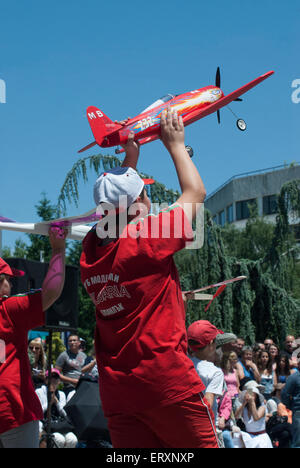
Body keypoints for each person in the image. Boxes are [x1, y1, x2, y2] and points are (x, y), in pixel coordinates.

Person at [80, 108, 219, 448]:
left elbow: (116, 212)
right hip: (166, 383)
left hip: (119, 395)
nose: (151, 200)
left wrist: (130, 161)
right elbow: (195, 194)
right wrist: (175, 146)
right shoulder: (146, 241)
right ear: (137, 206)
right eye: (145, 195)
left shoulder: (90, 253)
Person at [0, 227, 67, 449]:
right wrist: (58, 249)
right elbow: (52, 292)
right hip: (11, 407)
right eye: (9, 280)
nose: (12, 285)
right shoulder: (8, 309)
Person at [36, 368, 77, 448]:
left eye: (56, 378)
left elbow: (65, 414)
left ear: (59, 381)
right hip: (45, 424)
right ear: (46, 380)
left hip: (58, 424)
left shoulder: (61, 394)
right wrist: (49, 404)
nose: (53, 380)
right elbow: (38, 412)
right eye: (51, 377)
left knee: (72, 439)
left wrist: (57, 403)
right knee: (59, 439)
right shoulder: (39, 392)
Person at [281, 356, 300, 448]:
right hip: (298, 412)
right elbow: (285, 394)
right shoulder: (294, 377)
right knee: (297, 441)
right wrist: (291, 406)